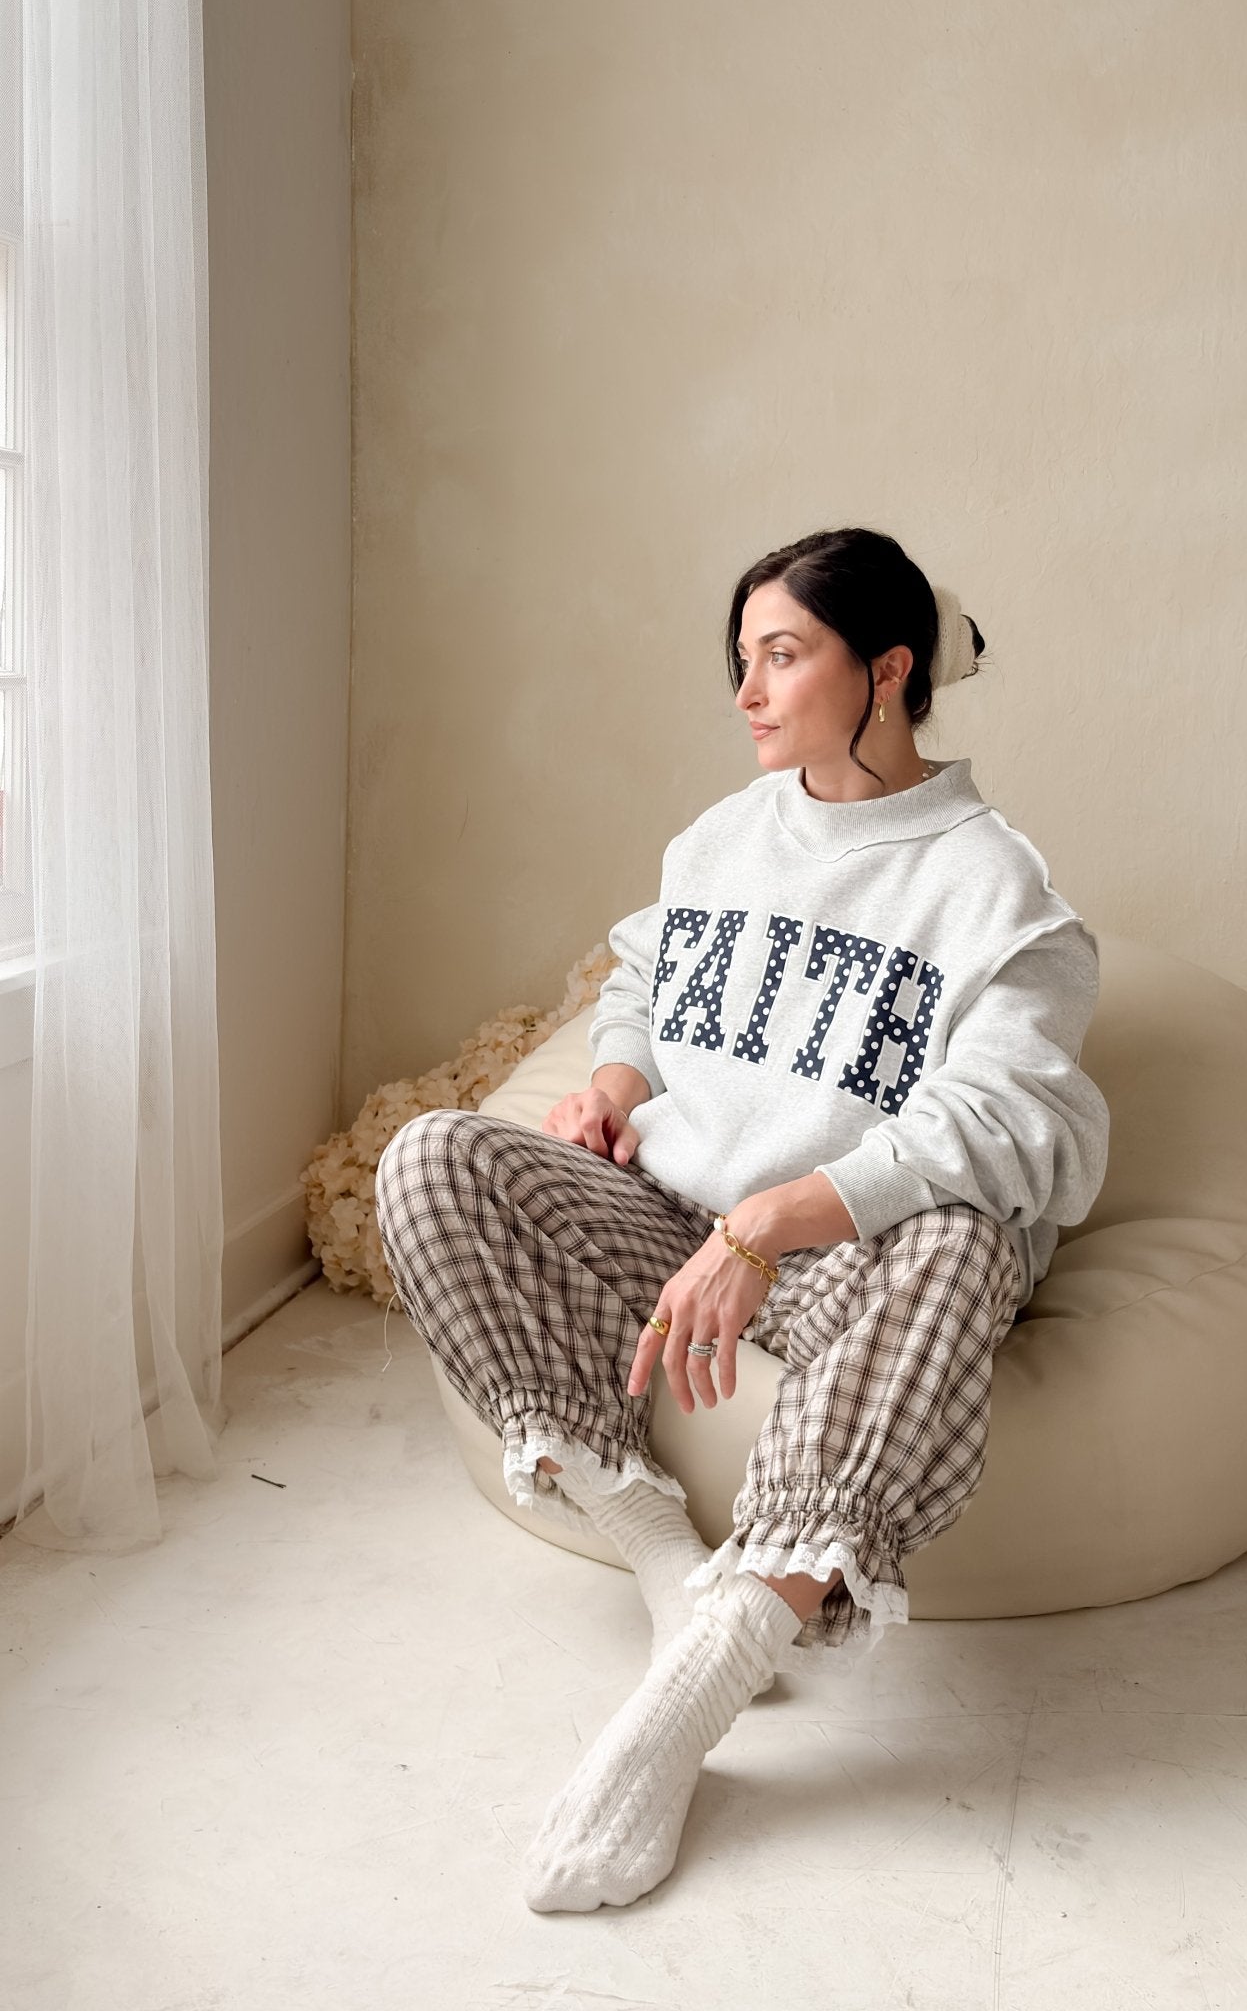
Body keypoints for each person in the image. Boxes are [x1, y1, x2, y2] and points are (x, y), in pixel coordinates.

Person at [373, 525, 1110, 1914]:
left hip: (850, 1256)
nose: (747, 691)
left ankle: (712, 1670)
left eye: (782, 655)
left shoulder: (991, 883)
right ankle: (666, 1561)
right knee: (430, 1157)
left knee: (969, 1236)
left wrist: (775, 1217)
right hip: (668, 1220)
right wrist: (612, 1083)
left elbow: (1016, 1121)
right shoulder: (721, 836)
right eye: (741, 659)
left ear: (886, 670)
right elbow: (640, 980)